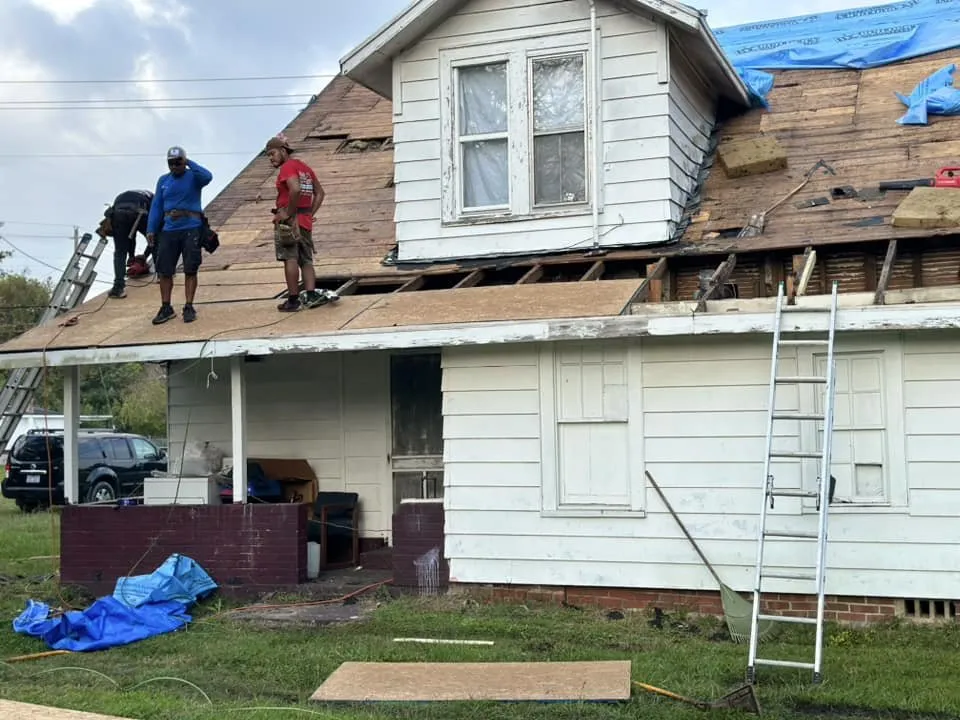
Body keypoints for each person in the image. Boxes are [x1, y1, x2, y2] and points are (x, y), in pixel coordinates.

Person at [265, 134, 338, 312]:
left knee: (290, 257)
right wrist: (309, 213)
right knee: (306, 259)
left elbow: (295, 188)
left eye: (272, 153)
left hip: (289, 222)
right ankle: (311, 295)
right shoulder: (304, 168)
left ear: (283, 151)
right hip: (304, 220)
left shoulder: (288, 167)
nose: (271, 158)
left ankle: (293, 299)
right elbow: (320, 193)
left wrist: (288, 213)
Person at [145, 146, 213, 325]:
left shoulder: (193, 176)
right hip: (169, 229)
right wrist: (151, 228)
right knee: (164, 270)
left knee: (191, 268)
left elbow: (207, 176)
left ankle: (189, 306)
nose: (174, 166)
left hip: (191, 226)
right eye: (171, 163)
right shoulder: (164, 180)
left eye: (177, 162)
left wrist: (188, 162)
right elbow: (157, 205)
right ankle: (166, 307)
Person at [96, 189, 153, 299]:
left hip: (118, 214)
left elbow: (131, 237)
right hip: (139, 211)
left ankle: (118, 288)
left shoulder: (123, 196)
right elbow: (153, 236)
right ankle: (162, 275)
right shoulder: (152, 198)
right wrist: (145, 256)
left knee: (120, 252)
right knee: (155, 238)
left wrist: (132, 257)